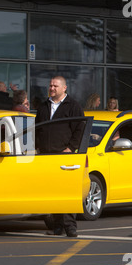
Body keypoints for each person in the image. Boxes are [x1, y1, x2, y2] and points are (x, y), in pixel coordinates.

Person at [35, 76, 84, 237]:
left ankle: (70, 227)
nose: (51, 88)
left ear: (64, 88)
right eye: (50, 85)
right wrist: (36, 148)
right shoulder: (43, 106)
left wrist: (71, 148)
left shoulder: (73, 106)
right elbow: (37, 129)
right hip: (46, 157)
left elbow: (80, 129)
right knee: (52, 192)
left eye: (55, 86)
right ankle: (57, 226)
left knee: (67, 192)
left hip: (65, 156)